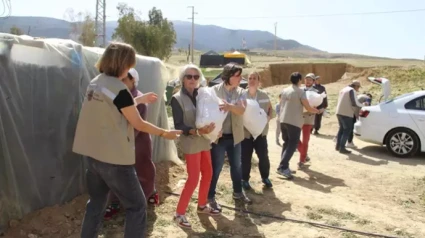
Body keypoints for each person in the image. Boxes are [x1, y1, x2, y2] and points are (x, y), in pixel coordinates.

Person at [72, 42, 182, 238]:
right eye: (129, 65)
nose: (130, 70)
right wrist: (165, 133)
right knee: (137, 206)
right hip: (114, 159)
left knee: (96, 203)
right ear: (122, 64)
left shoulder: (96, 82)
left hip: (92, 156)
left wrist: (139, 99)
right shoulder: (119, 89)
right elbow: (138, 123)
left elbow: (115, 106)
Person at [104, 68, 160, 220]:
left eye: (125, 80)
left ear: (133, 80)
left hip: (138, 142)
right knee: (117, 174)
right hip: (120, 142)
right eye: (119, 80)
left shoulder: (138, 98)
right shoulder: (116, 95)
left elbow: (136, 125)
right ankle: (115, 202)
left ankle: (147, 196)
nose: (121, 83)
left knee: (143, 170)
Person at [170, 64, 220, 228]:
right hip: (191, 141)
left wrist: (215, 130)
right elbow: (179, 125)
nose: (193, 79)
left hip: (204, 139)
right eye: (189, 76)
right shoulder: (177, 99)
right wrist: (197, 131)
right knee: (193, 178)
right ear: (183, 79)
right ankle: (179, 213)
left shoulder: (202, 95)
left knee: (208, 173)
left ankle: (202, 205)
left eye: (196, 77)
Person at [208, 63, 251, 213]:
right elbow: (207, 111)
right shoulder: (213, 91)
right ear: (228, 76)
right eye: (237, 75)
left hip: (235, 136)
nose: (240, 78)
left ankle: (238, 193)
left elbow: (242, 110)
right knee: (216, 167)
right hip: (218, 138)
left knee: (236, 166)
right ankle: (210, 197)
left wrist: (229, 107)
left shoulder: (241, 92)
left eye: (240, 75)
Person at [277, 72, 319, 179]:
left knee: (286, 143)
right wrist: (316, 111)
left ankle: (283, 166)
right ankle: (283, 167)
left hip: (283, 120)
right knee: (292, 144)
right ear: (299, 80)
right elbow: (308, 108)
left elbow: (281, 104)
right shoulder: (300, 92)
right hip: (294, 122)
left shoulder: (285, 90)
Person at [241, 72, 273, 190]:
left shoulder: (264, 95)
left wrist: (268, 117)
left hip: (261, 133)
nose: (252, 80)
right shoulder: (241, 95)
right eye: (250, 78)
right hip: (246, 134)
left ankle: (265, 177)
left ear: (259, 81)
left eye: (254, 78)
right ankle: (244, 180)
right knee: (245, 158)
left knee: (263, 157)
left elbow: (271, 110)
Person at [297, 73, 323, 168]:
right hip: (298, 118)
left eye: (310, 80)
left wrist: (318, 109)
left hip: (309, 118)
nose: (308, 81)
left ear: (313, 81)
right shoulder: (299, 90)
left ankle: (302, 160)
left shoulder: (317, 92)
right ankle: (303, 153)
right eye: (306, 79)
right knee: (294, 138)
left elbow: (322, 105)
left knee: (305, 140)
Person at [335, 80, 363, 154]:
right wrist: (363, 106)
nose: (358, 89)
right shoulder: (351, 90)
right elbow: (354, 103)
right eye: (358, 87)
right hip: (346, 113)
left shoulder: (343, 89)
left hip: (339, 112)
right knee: (347, 130)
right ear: (356, 86)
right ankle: (342, 148)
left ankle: (338, 146)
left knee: (341, 129)